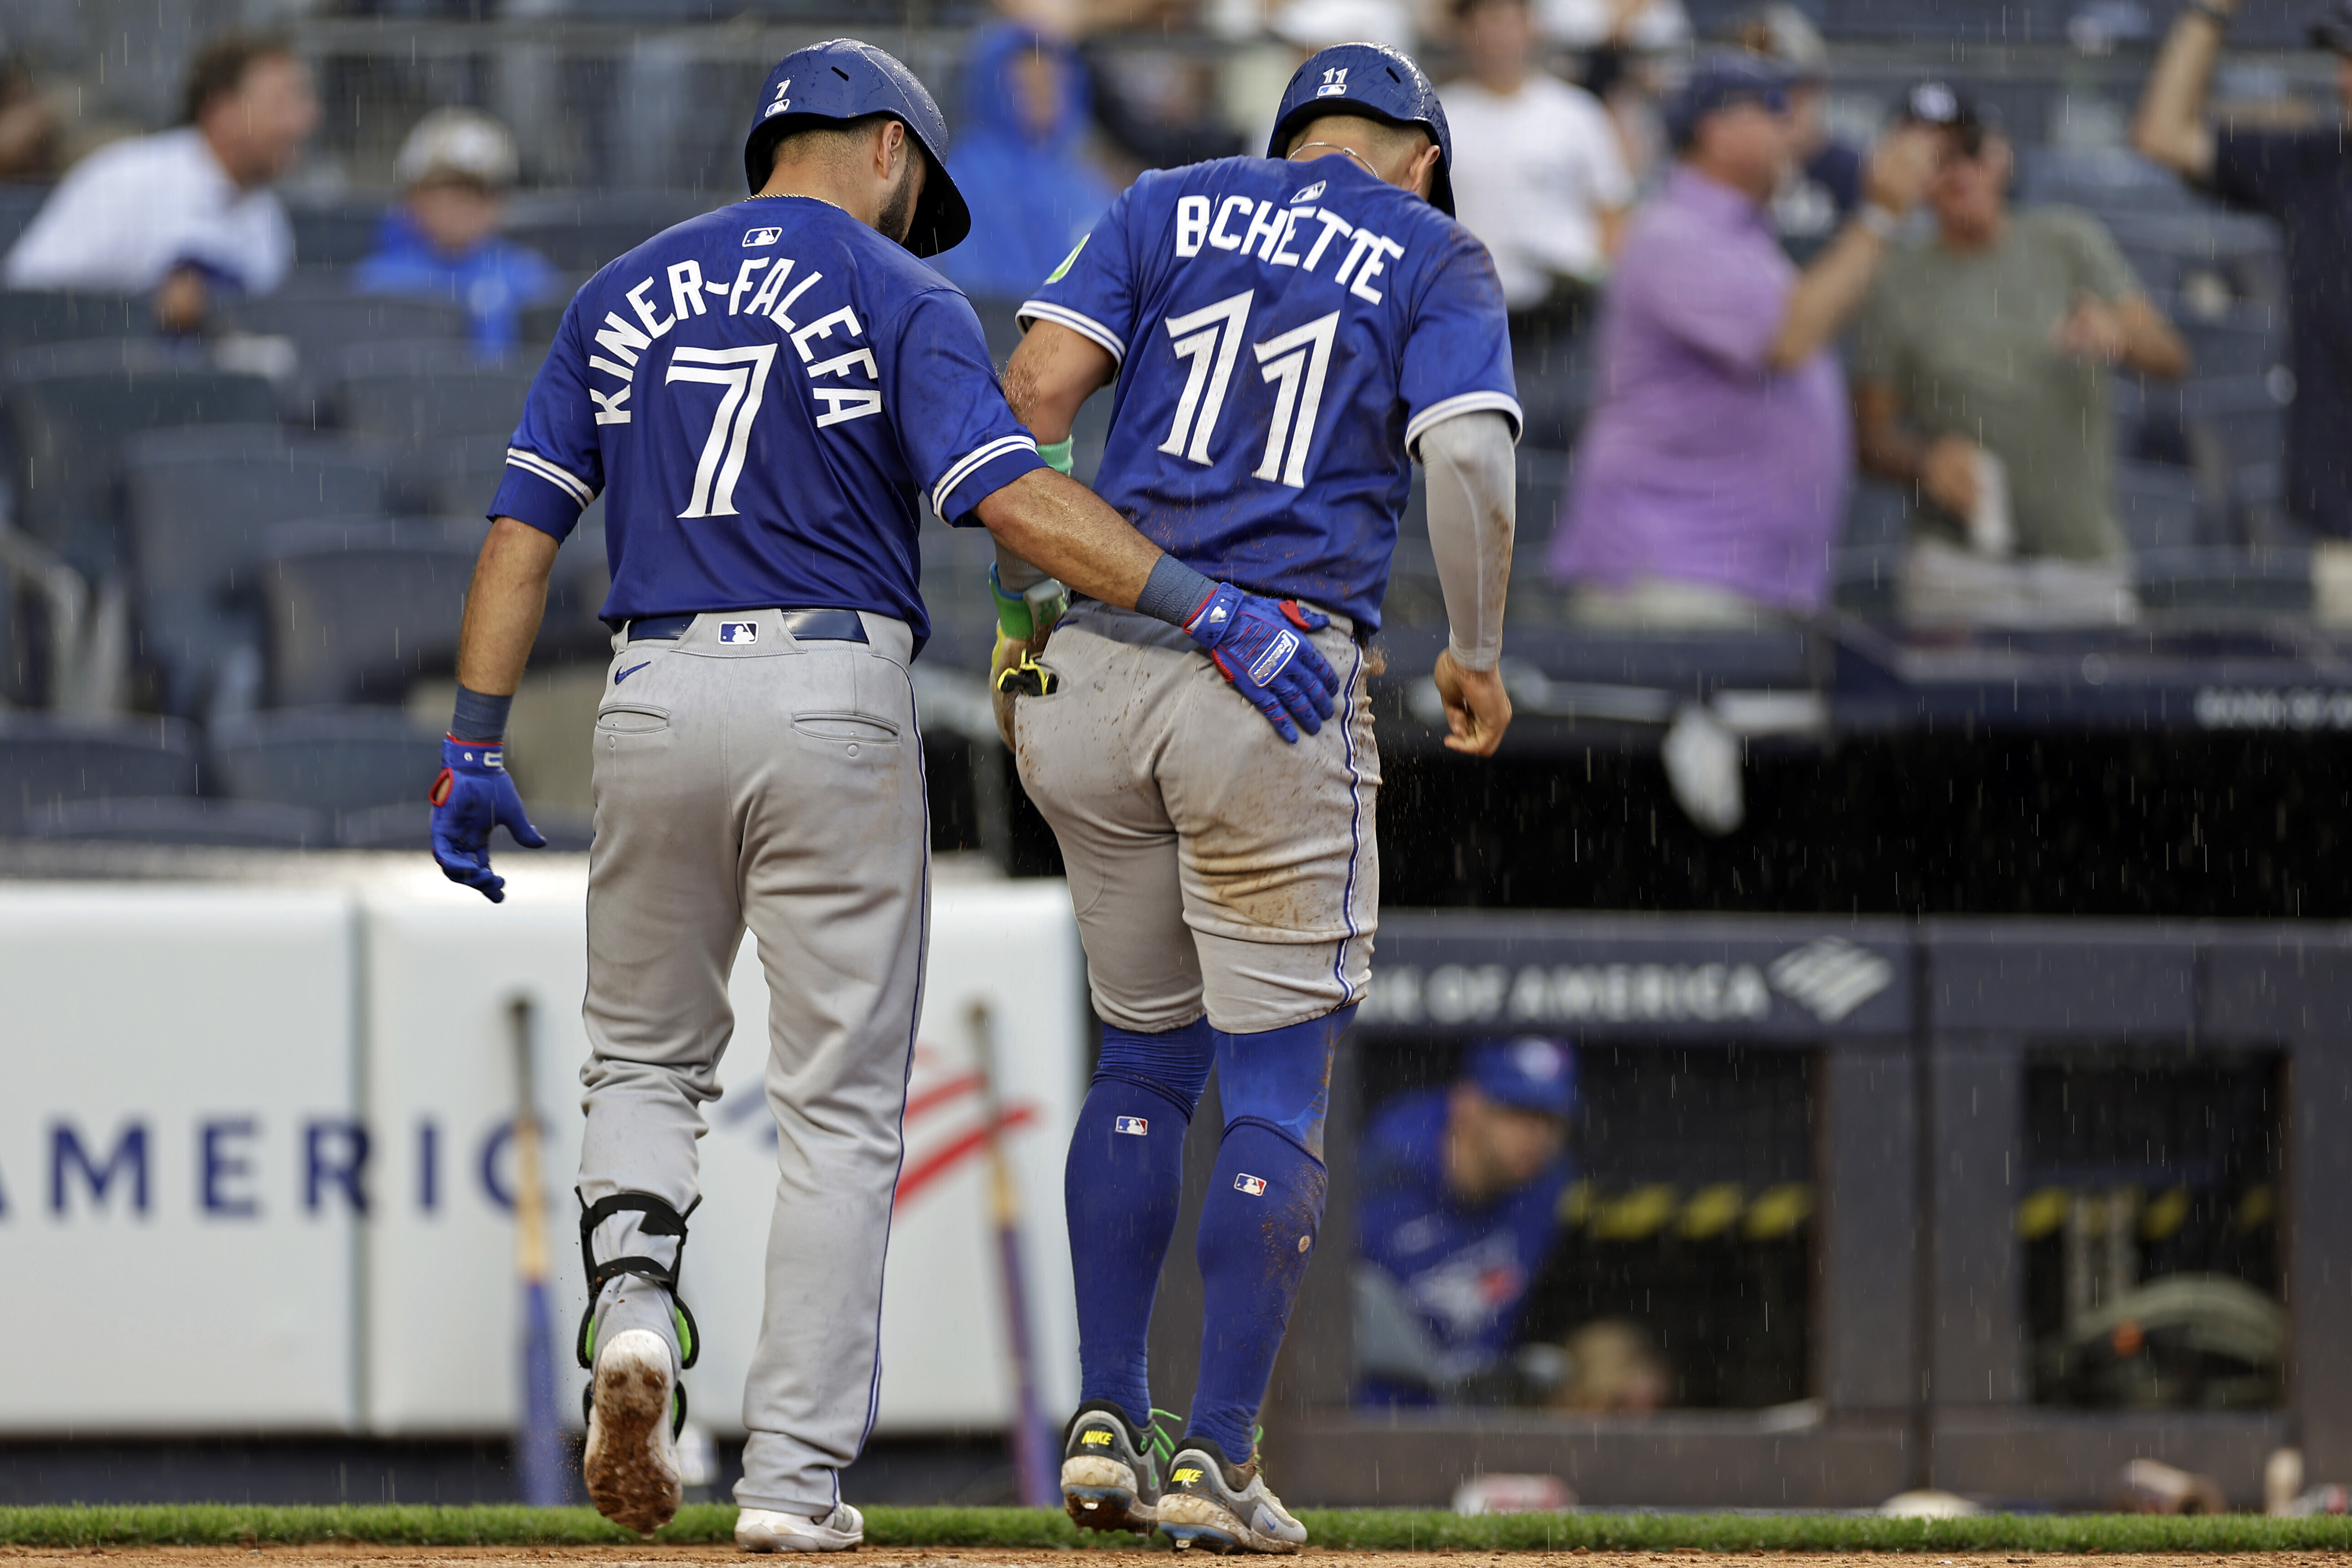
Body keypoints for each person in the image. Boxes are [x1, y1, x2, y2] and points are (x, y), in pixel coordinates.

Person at [429, 38, 1311, 1551]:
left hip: (648, 681)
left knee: (641, 1059)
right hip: (829, 690)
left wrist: (472, 741)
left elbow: (521, 531)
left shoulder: (615, 293)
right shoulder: (896, 290)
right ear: (890, 152)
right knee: (834, 1106)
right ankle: (786, 1481)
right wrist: (1199, 601)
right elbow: (1004, 493)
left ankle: (634, 1310)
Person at [1000, 41, 1520, 1554]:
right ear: (1415, 153)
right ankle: (1213, 1452)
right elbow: (1471, 461)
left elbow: (1028, 392)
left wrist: (1024, 578)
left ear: (1288, 136)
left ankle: (1102, 1414)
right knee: (1274, 1088)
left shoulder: (1164, 197)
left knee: (1140, 1065)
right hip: (1271, 672)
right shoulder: (1430, 246)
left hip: (1095, 655)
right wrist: (1473, 650)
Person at [1545, 54, 1937, 628]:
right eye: (1777, 112)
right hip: (1674, 580)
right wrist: (1878, 215)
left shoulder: (1739, 235)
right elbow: (1785, 339)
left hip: (1728, 579)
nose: (1795, 133)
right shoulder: (1674, 232)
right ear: (1717, 131)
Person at [1856, 83, 2188, 627]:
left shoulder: (2066, 242)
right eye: (1933, 160)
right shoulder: (1896, 279)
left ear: (2000, 155)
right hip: (1958, 565)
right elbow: (1871, 436)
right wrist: (1926, 462)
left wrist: (2120, 336)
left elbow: (2171, 357)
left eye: (1968, 151)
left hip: (2080, 558)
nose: (1957, 173)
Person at [2133, 0, 2352, 600]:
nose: (2343, 79)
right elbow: (2163, 133)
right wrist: (2208, 12)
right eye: (2341, 61)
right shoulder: (2315, 167)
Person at [5, 33, 316, 331]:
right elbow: (24, 305)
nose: (304, 121)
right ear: (223, 114)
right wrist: (144, 313)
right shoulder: (128, 182)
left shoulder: (266, 215)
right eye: (281, 105)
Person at [1354, 1037, 1575, 1407]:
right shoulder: (1380, 1175)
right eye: (1516, 1112)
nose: (1536, 1137)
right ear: (1466, 1104)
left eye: (1550, 1120)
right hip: (1364, 1419)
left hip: (1469, 1421)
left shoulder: (1545, 1186)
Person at [1441, 0, 1633, 316]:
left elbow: (1613, 210)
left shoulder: (1576, 113)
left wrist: (1594, 276)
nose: (1497, 37)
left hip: (1563, 309)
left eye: (1508, 22)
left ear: (1531, 28)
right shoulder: (1438, 117)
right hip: (1465, 307)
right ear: (1462, 32)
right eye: (1485, 24)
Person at [934, 20, 1116, 300]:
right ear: (996, 86)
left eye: (1051, 81)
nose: (1043, 93)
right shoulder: (966, 176)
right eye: (1027, 82)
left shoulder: (1082, 177)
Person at [354, 108, 559, 354]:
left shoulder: (532, 277)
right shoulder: (377, 282)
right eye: (452, 190)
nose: (466, 206)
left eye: (482, 192)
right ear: (414, 197)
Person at [1722, 4, 1862, 258]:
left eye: (1793, 91)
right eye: (1760, 98)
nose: (1781, 109)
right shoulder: (1723, 171)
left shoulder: (1853, 172)